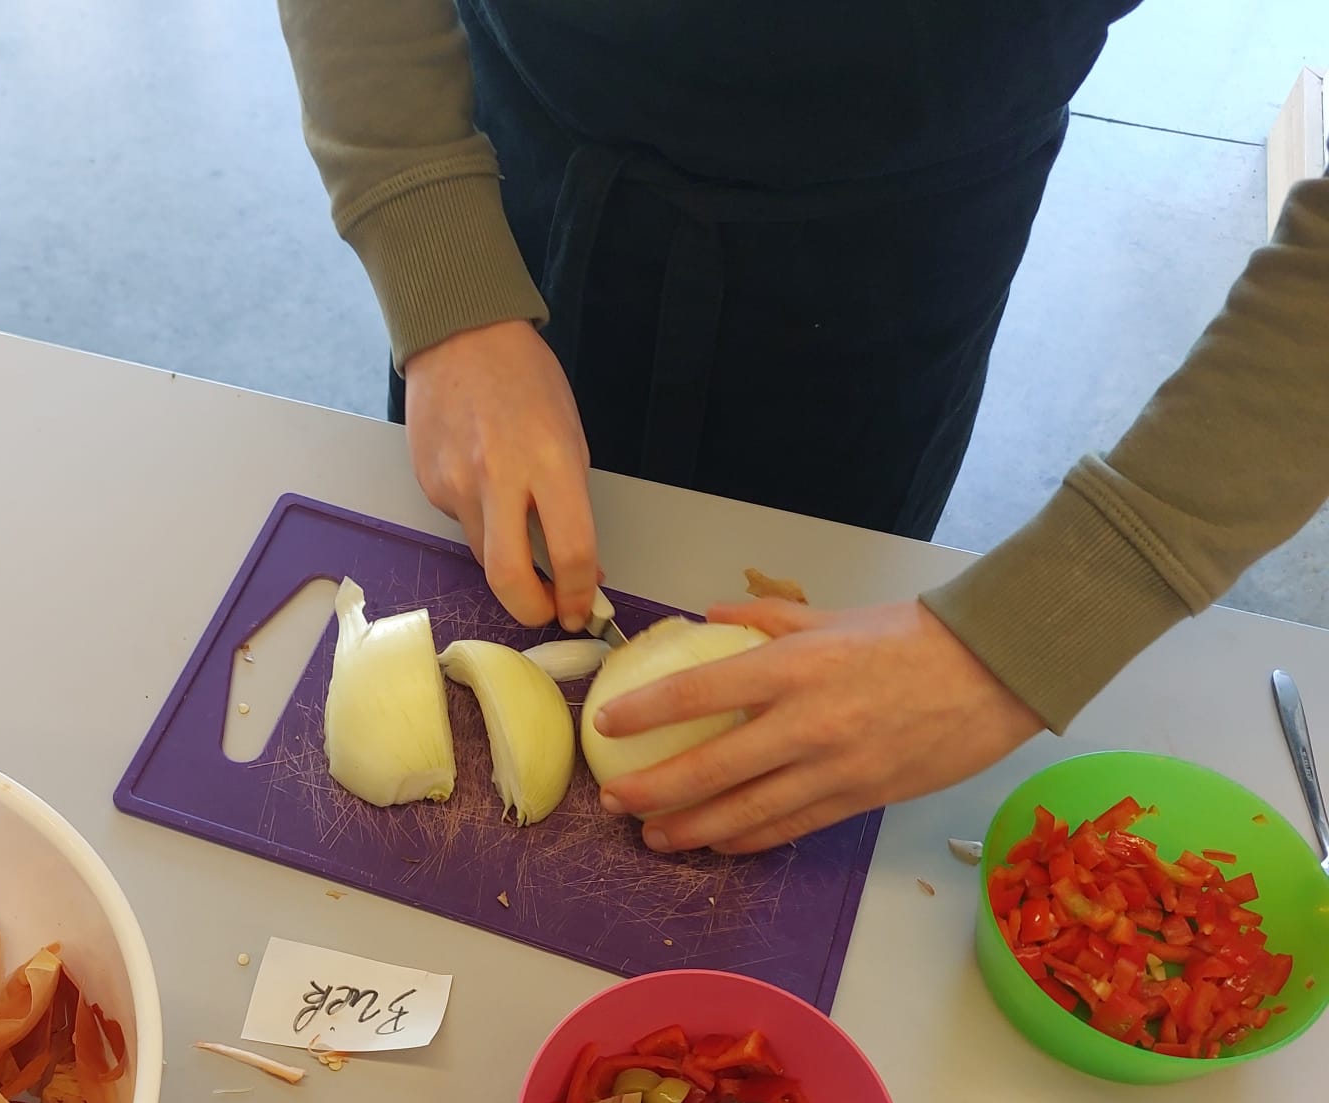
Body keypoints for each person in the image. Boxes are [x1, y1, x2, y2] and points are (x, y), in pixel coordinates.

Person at [278, 3, 1329, 849]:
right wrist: (442, 274)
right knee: (493, 561)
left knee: (805, 642)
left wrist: (1040, 627)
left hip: (886, 264)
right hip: (520, 190)